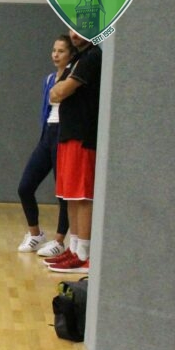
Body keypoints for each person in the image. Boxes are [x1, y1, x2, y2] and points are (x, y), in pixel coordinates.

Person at [45, 29, 102, 274]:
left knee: (82, 196)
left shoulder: (92, 57)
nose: (75, 34)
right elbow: (52, 94)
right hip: (68, 135)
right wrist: (58, 90)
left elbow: (60, 92)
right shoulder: (77, 58)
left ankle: (84, 255)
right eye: (72, 28)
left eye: (80, 28)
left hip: (83, 135)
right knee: (69, 195)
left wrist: (59, 90)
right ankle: (74, 248)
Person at [16, 34, 75, 257]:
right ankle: (36, 234)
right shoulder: (49, 79)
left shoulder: (74, 78)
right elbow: (46, 107)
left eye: (61, 51)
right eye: (54, 50)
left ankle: (59, 240)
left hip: (64, 135)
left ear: (71, 54)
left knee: (62, 192)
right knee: (25, 187)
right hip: (47, 135)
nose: (55, 55)